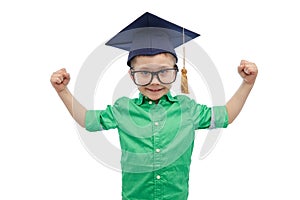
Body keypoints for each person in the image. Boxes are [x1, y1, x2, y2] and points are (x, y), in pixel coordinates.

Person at [50, 12, 258, 200]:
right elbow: (89, 121)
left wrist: (247, 84)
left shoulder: (187, 108)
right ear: (132, 75)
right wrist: (63, 91)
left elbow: (225, 116)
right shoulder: (123, 109)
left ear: (177, 72)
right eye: (144, 73)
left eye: (164, 72)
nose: (155, 81)